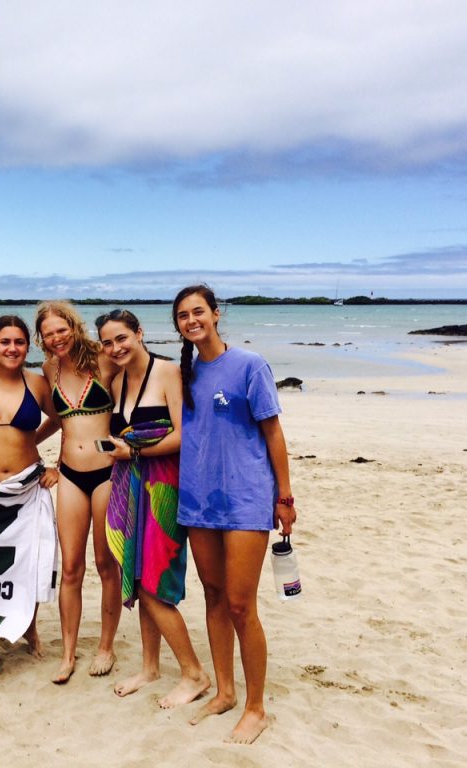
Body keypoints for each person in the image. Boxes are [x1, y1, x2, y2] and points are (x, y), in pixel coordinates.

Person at [172, 285, 297, 744]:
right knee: (213, 596)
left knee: (243, 605)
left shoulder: (250, 365)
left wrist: (284, 497)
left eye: (198, 312)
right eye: (183, 316)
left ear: (216, 314)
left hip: (245, 500)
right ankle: (224, 691)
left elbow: (273, 432)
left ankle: (256, 706)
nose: (191, 321)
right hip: (198, 502)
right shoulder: (180, 375)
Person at [95, 309, 210, 707]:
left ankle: (194, 673)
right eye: (108, 342)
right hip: (131, 487)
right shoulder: (118, 378)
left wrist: (135, 449)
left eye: (122, 338)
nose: (116, 348)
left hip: (164, 488)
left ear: (139, 333)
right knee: (140, 573)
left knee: (155, 584)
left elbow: (184, 435)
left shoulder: (167, 373)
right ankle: (149, 667)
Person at [0, 315, 59, 676]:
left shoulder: (37, 384)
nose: (13, 348)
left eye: (19, 342)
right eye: (5, 342)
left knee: (29, 564)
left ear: (27, 347)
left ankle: (29, 628)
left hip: (27, 487)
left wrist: (56, 465)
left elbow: (69, 419)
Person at [34, 301, 121, 683]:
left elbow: (137, 396)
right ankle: (68, 653)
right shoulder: (49, 369)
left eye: (61, 329)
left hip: (106, 473)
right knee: (70, 567)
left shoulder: (105, 359)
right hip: (69, 473)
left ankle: (105, 646)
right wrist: (31, 452)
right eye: (48, 333)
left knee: (106, 565)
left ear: (73, 326)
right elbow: (57, 420)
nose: (56, 338)